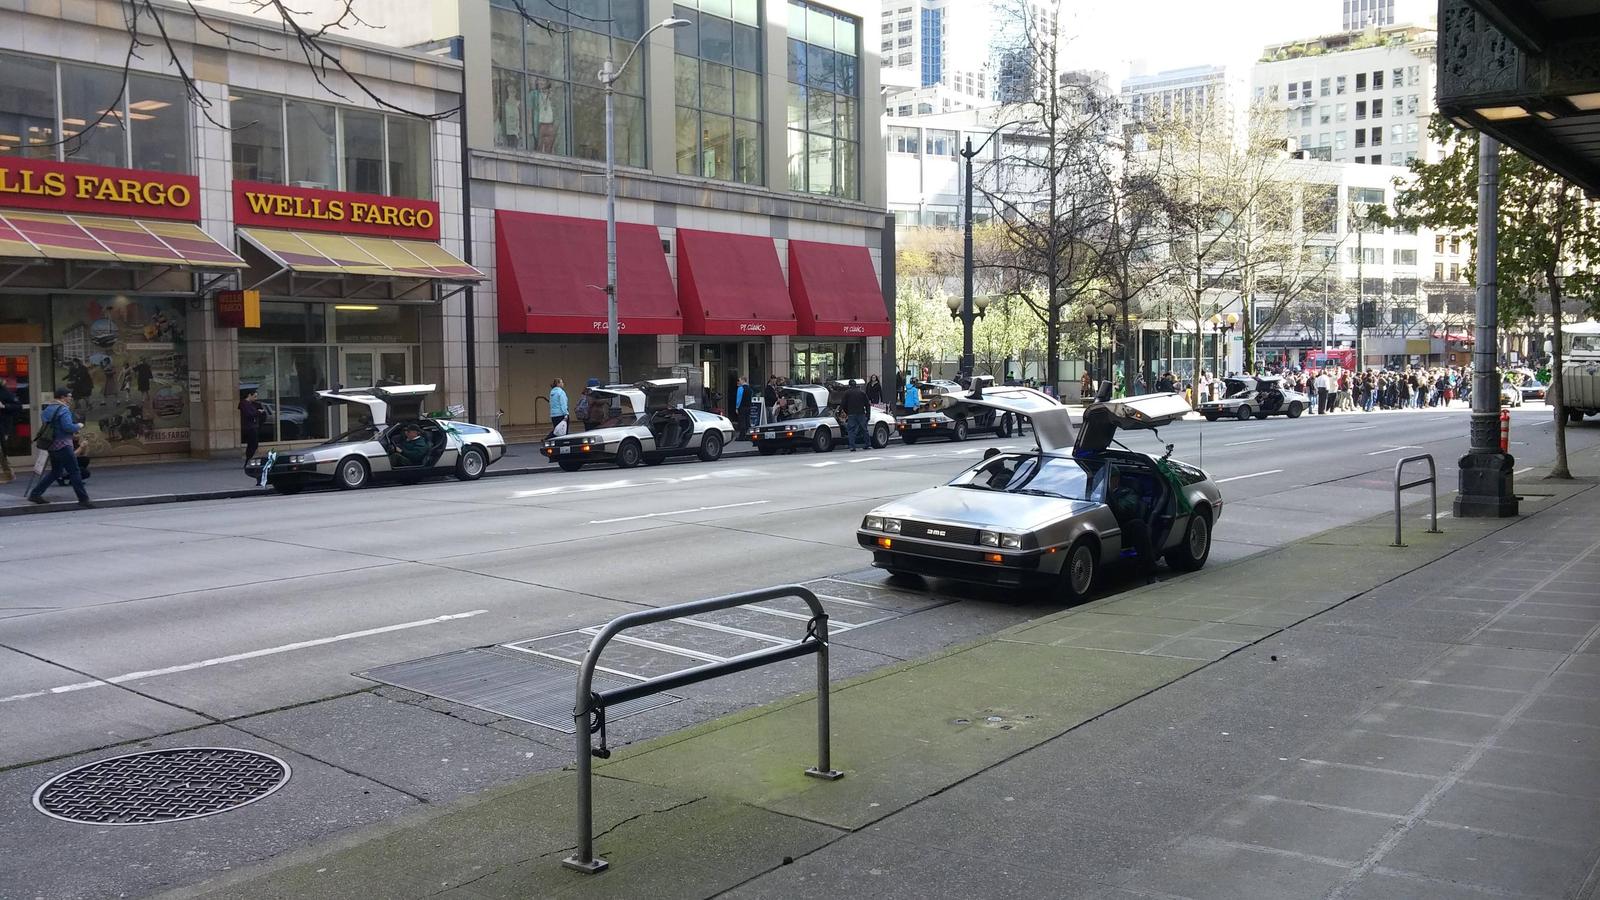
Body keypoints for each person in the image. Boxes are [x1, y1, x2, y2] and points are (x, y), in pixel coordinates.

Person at [27, 387, 92, 507]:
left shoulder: (48, 409)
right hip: (63, 444)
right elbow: (67, 427)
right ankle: (83, 499)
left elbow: (52, 425)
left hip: (51, 444)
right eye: (69, 396)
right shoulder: (63, 409)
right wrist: (78, 425)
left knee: (56, 471)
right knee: (74, 471)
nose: (70, 398)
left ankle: (35, 494)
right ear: (62, 397)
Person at [1106, 467, 1156, 584]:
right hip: (1101, 527)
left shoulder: (1127, 493)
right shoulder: (1095, 492)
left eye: (1109, 479)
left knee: (1138, 525)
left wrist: (1109, 496)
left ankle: (1150, 569)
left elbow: (1122, 512)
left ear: (1116, 479)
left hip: (1121, 529)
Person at [0, 378, 20, 484]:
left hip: (3, 425)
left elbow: (18, 406)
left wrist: (4, 406)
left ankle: (8, 473)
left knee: (1, 451)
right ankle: (8, 473)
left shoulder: (6, 393)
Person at [842, 379, 870, 452]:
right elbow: (867, 404)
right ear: (856, 385)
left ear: (849, 385)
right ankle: (867, 444)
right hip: (861, 413)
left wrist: (847, 412)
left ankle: (852, 446)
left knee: (851, 430)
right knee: (864, 429)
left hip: (851, 414)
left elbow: (843, 404)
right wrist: (868, 414)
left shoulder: (847, 393)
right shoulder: (862, 392)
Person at [240, 389, 264, 463]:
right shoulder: (243, 404)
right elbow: (249, 414)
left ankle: (249, 458)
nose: (255, 398)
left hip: (253, 426)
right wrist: (258, 412)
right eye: (254, 396)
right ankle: (248, 458)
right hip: (249, 427)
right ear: (249, 395)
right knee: (252, 444)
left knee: (254, 444)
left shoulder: (251, 404)